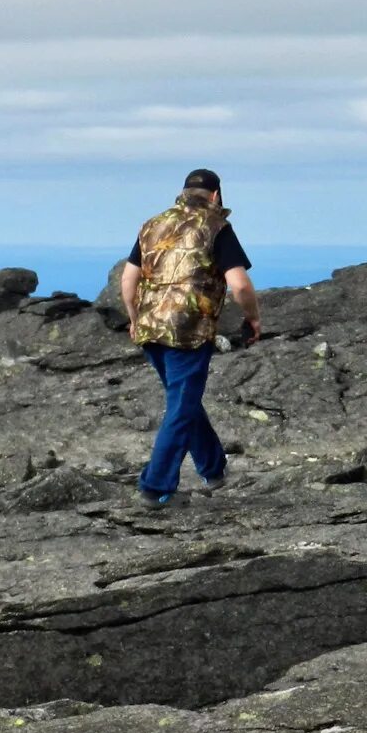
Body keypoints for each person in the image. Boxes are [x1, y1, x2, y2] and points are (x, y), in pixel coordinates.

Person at [121, 168, 261, 506]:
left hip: (150, 327)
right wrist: (252, 317)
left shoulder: (153, 225)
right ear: (215, 196)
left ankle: (214, 469)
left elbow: (129, 279)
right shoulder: (217, 227)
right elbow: (240, 284)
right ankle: (154, 488)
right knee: (181, 408)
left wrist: (134, 317)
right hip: (189, 331)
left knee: (184, 400)